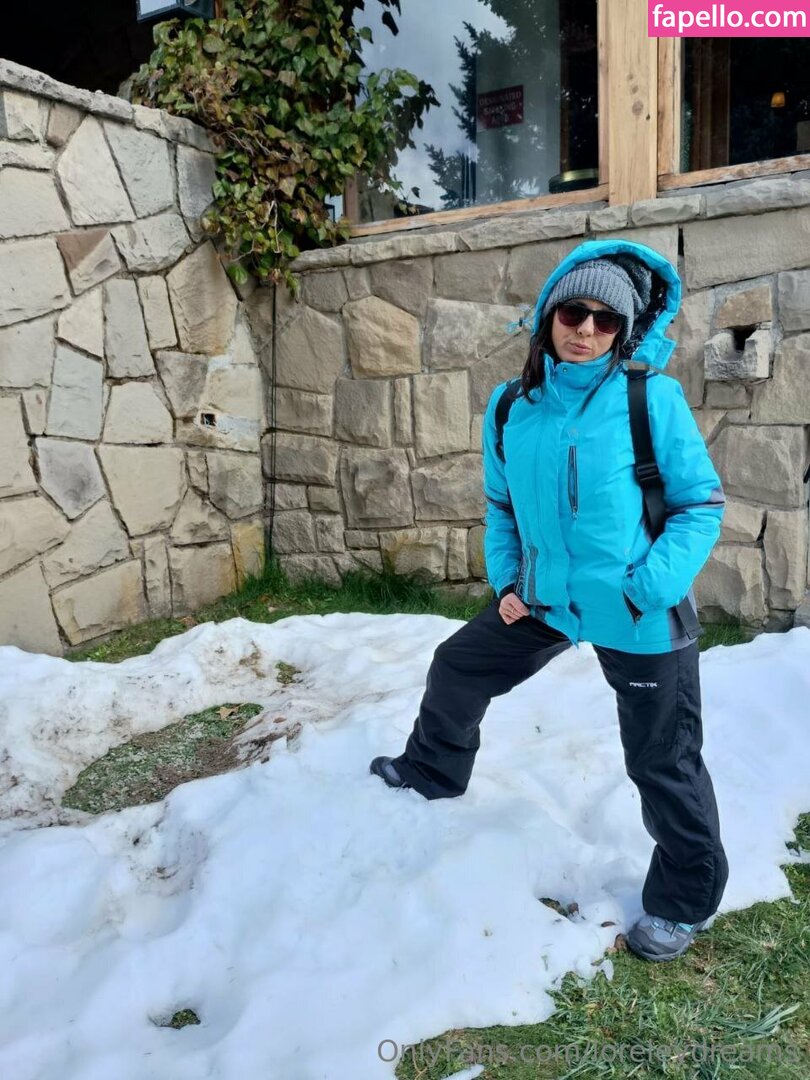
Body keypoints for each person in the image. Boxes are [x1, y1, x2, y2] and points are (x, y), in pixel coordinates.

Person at [369, 239, 729, 962]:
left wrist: (648, 587)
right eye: (573, 312)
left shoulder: (648, 398)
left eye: (605, 319)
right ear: (548, 316)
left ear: (622, 331)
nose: (586, 329)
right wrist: (509, 583)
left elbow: (699, 504)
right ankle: (433, 769)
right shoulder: (511, 406)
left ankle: (683, 900)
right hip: (544, 601)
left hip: (637, 612)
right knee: (457, 666)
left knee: (662, 759)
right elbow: (500, 506)